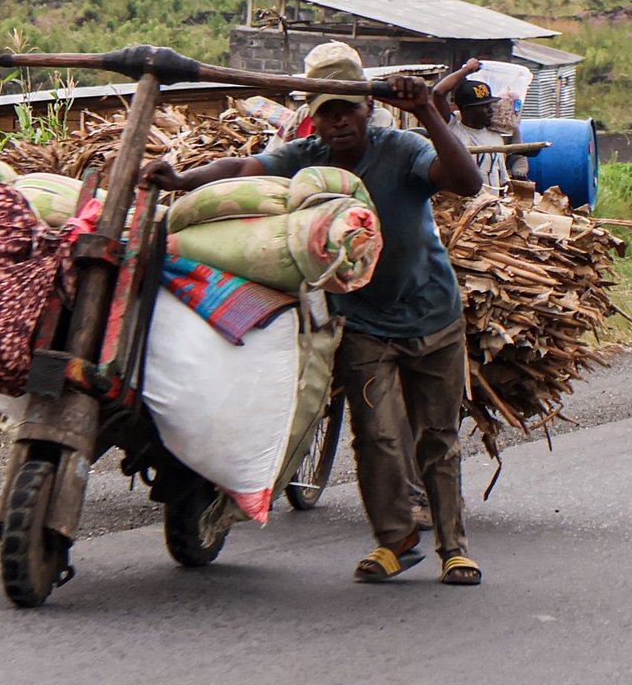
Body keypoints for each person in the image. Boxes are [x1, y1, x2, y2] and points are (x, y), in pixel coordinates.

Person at [143, 41, 485, 586]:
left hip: (433, 316)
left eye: (348, 108)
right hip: (364, 322)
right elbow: (244, 167)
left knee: (436, 437)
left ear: (367, 109)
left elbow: (467, 182)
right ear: (313, 118)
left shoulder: (401, 149)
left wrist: (425, 111)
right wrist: (185, 180)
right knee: (375, 435)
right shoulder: (305, 160)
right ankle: (395, 541)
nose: (339, 121)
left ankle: (454, 548)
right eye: (327, 111)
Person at [432, 58, 529, 194]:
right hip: (463, 208)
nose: (490, 110)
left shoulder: (496, 136)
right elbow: (438, 93)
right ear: (466, 109)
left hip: (491, 209)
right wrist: (467, 70)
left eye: (490, 105)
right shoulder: (452, 130)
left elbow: (503, 179)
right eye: (484, 106)